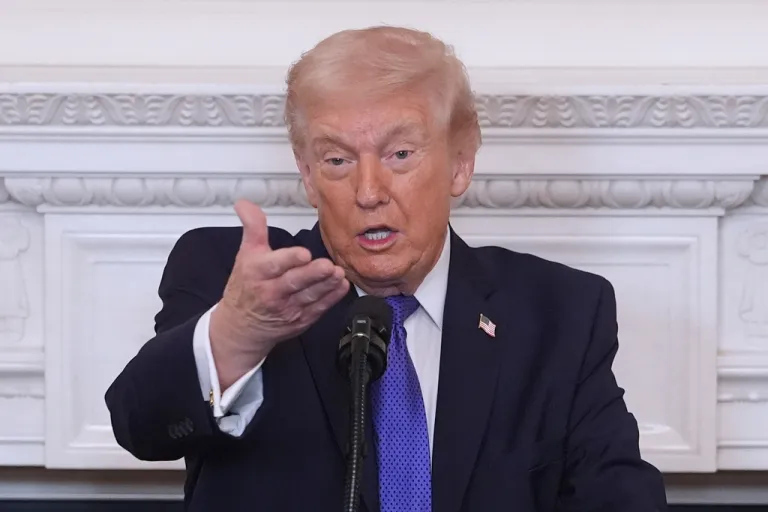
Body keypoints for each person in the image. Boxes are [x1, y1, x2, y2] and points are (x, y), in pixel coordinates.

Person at [105, 25, 668, 512]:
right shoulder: (233, 279)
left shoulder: (559, 313)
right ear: (306, 173)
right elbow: (141, 427)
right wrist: (238, 334)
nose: (368, 191)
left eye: (400, 154)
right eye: (337, 160)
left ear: (461, 161)